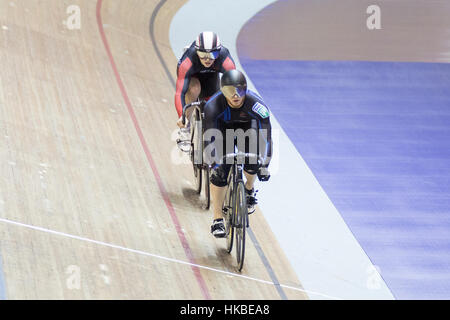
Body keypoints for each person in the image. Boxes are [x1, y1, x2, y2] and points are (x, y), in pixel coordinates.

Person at [203, 70, 272, 238]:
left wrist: (265, 165)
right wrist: (214, 163)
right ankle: (217, 219)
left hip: (248, 129)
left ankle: (248, 188)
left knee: (254, 161)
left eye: (239, 91)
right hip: (222, 132)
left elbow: (267, 137)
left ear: (246, 89)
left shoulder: (257, 106)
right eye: (229, 91)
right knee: (220, 172)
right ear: (222, 91)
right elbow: (209, 138)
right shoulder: (213, 106)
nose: (235, 96)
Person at [175, 31, 236, 151]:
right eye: (202, 54)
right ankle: (185, 130)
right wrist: (181, 117)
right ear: (196, 51)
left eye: (213, 54)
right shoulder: (187, 62)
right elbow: (180, 92)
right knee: (194, 89)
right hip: (193, 75)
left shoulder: (226, 61)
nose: (207, 59)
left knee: (216, 100)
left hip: (211, 77)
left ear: (219, 52)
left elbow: (234, 88)